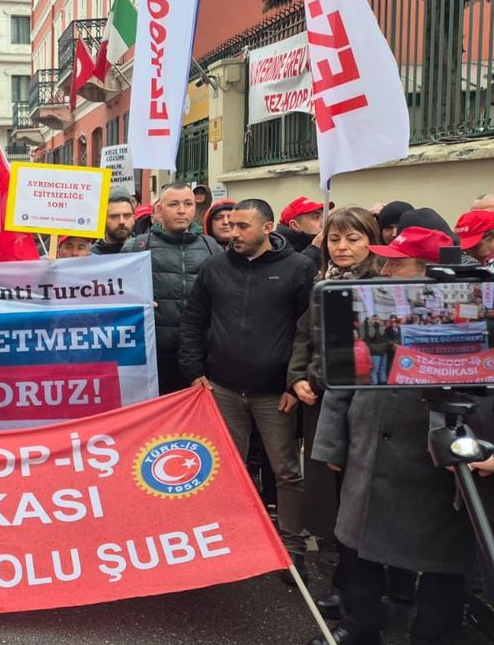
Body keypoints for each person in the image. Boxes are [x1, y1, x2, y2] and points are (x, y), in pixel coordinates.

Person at [309, 226, 474, 645]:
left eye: (397, 264)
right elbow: (342, 378)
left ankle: (432, 641)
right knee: (357, 549)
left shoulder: (469, 312)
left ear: (430, 270)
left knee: (441, 563)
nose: (384, 270)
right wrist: (332, 444)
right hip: (368, 452)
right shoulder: (371, 304)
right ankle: (359, 627)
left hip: (433, 462)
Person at [178, 199, 316, 580]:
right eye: (230, 225)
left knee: (286, 472)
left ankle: (292, 547)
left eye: (242, 226)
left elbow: (308, 332)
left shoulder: (299, 269)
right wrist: (194, 371)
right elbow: (193, 321)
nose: (233, 233)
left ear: (268, 228)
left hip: (276, 394)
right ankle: (230, 542)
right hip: (222, 389)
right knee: (226, 470)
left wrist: (294, 381)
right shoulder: (214, 268)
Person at [285, 207, 382, 620]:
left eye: (353, 239)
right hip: (320, 402)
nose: (342, 247)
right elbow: (304, 336)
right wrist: (297, 378)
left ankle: (359, 589)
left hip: (360, 405)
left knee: (358, 495)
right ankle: (345, 580)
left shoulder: (379, 286)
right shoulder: (322, 283)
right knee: (330, 493)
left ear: (371, 242)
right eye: (335, 239)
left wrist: (318, 377)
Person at [121, 183, 221, 394]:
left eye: (188, 204)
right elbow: (119, 298)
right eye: (174, 204)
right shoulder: (136, 247)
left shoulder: (212, 247)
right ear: (159, 209)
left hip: (201, 355)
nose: (182, 210)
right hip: (153, 356)